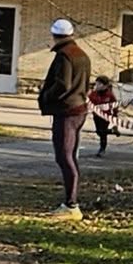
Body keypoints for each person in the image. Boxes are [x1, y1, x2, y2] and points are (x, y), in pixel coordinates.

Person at [36, 17, 91, 218]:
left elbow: (62, 84)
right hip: (79, 110)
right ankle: (71, 202)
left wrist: (45, 96)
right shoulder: (82, 55)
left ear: (55, 36)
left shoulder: (64, 56)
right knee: (71, 156)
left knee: (64, 156)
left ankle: (71, 204)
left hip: (67, 112)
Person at [87, 72, 119, 158]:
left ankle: (102, 148)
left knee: (102, 132)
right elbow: (88, 102)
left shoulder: (109, 95)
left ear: (105, 85)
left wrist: (115, 116)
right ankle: (111, 131)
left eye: (99, 84)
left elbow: (114, 105)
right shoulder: (93, 94)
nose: (97, 85)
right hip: (96, 116)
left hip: (105, 116)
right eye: (96, 83)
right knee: (99, 131)